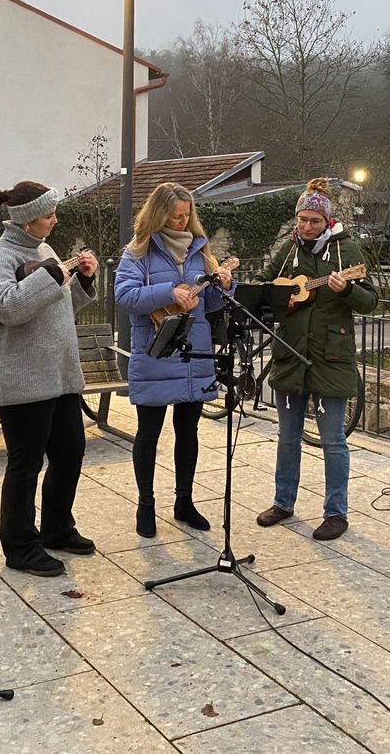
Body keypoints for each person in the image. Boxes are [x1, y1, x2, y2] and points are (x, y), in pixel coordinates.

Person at [0, 181, 99, 578]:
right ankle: (20, 547)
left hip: (60, 376)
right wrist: (52, 278)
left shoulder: (45, 250)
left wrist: (80, 281)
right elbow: (9, 307)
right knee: (25, 463)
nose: (54, 219)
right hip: (20, 380)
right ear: (28, 220)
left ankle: (57, 529)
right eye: (49, 214)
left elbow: (57, 304)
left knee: (70, 452)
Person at [254, 178, 377, 541]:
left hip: (330, 357)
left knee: (333, 439)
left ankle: (336, 512)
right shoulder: (287, 251)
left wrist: (349, 289)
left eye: (315, 221)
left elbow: (371, 300)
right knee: (287, 437)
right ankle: (283, 502)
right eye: (303, 220)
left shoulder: (346, 251)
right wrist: (282, 300)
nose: (308, 227)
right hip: (290, 354)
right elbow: (262, 288)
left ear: (327, 222)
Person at [114, 182, 234, 538]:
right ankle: (145, 505)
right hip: (157, 350)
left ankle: (185, 501)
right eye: (175, 216)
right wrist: (168, 291)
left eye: (187, 215)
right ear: (159, 214)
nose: (182, 222)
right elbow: (124, 295)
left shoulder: (201, 251)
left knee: (189, 431)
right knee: (148, 433)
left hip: (193, 352)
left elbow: (209, 306)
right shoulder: (138, 251)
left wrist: (224, 286)